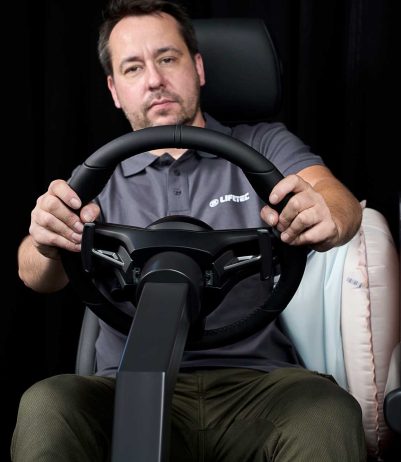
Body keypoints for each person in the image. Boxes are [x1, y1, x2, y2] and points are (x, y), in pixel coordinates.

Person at [13, 0, 365, 460]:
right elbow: (35, 273)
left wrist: (328, 215)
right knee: (46, 404)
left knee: (328, 412)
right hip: (122, 390)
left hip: (255, 388)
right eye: (133, 68)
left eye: (167, 58)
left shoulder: (262, 146)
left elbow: (336, 200)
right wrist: (45, 241)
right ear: (114, 89)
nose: (154, 80)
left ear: (197, 67)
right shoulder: (96, 175)